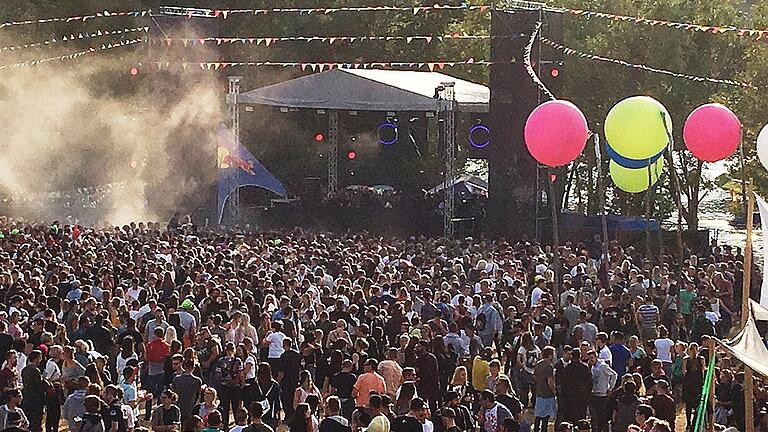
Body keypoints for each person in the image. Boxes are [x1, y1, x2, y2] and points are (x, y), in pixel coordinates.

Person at [589, 350, 617, 432]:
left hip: (603, 394)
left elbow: (614, 374)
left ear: (596, 357)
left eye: (592, 358)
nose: (591, 360)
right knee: (596, 415)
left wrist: (610, 387)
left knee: (602, 416)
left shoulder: (603, 366)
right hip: (595, 393)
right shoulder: (592, 366)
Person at [533, 346, 556, 432]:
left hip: (539, 392)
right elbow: (550, 381)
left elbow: (534, 377)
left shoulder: (538, 364)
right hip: (547, 394)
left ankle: (536, 429)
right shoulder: (549, 366)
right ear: (550, 355)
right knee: (546, 416)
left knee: (538, 415)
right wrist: (554, 391)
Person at [21, 350, 45, 432]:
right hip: (36, 401)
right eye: (40, 358)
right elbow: (39, 386)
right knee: (36, 424)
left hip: (27, 399)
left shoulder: (24, 370)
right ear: (36, 359)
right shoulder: (35, 370)